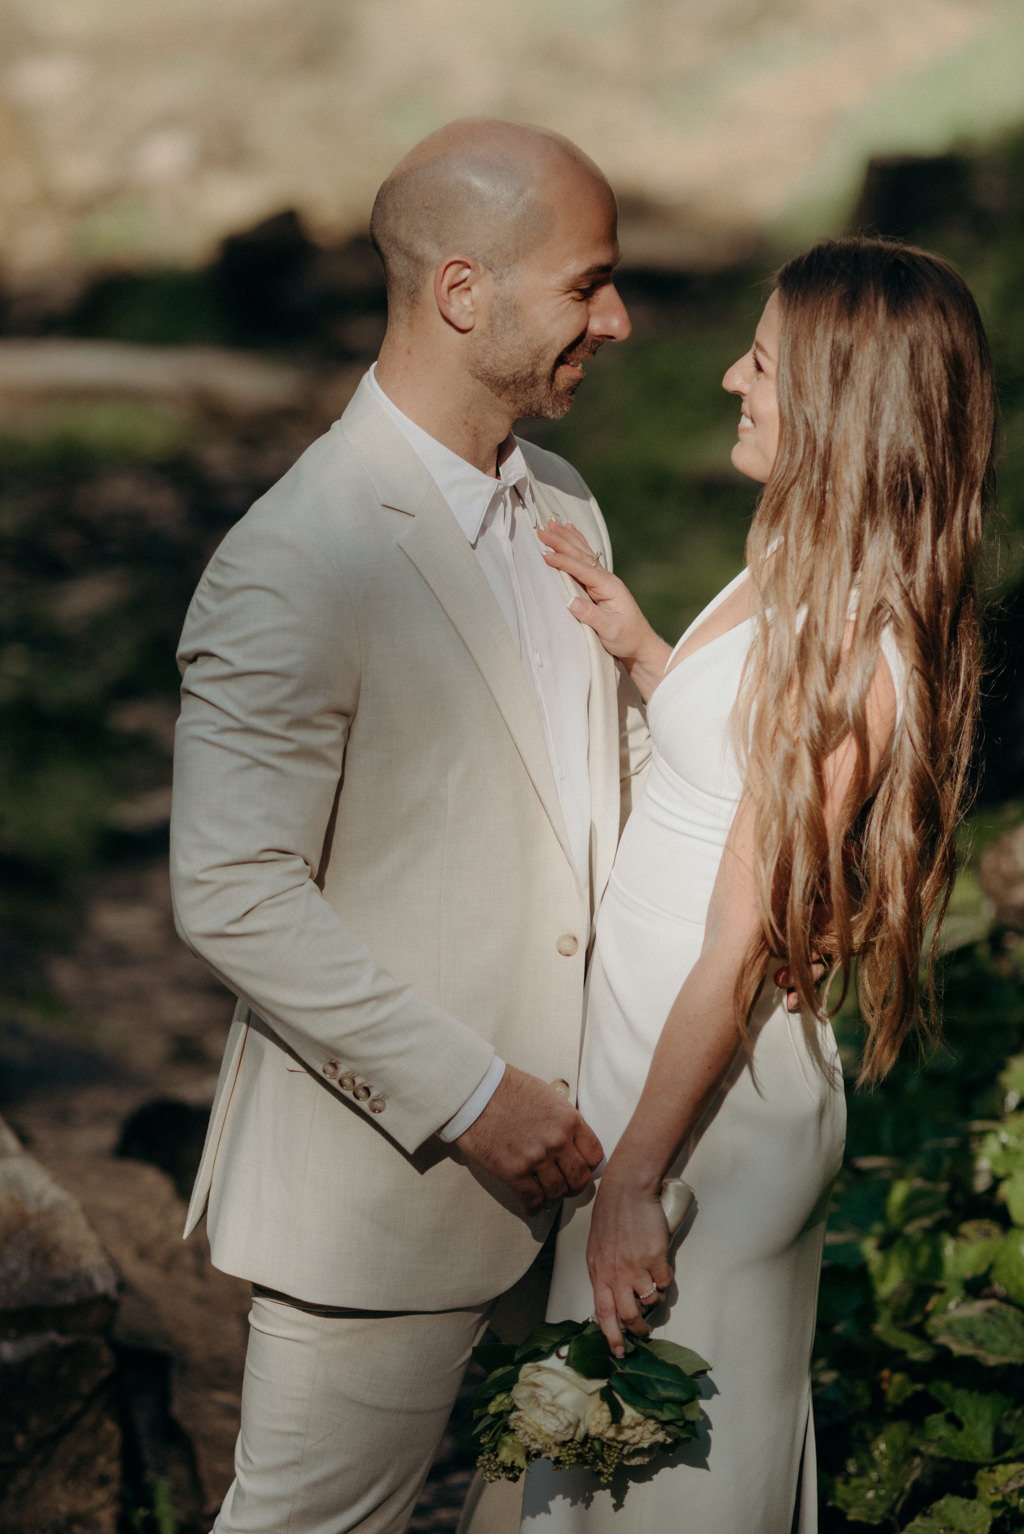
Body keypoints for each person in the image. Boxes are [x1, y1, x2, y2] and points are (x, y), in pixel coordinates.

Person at [169, 118, 642, 1534]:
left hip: (589, 1188)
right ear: (460, 290)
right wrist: (471, 1094)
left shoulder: (568, 504)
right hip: (389, 1185)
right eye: (588, 285)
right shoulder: (295, 555)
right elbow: (234, 889)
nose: (618, 320)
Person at [518, 237, 996, 1533]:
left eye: (767, 363)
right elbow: (741, 774)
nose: (732, 376)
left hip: (703, 1118)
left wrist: (632, 1178)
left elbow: (741, 932)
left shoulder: (853, 648)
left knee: (666, 1489)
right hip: (659, 1086)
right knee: (596, 1472)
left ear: (841, 407)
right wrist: (646, 650)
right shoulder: (798, 568)